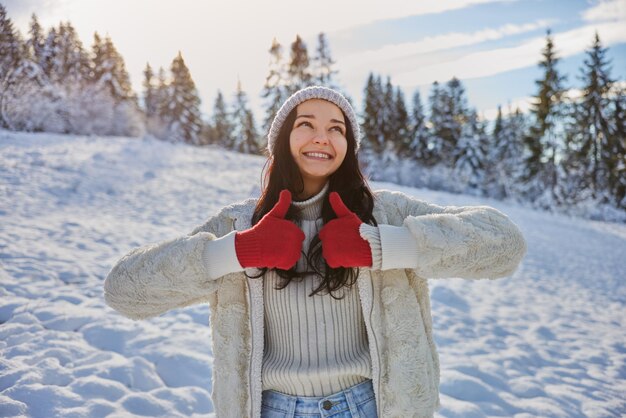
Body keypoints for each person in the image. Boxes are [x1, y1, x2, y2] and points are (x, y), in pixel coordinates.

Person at [104, 86, 527, 418]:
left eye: (337, 128)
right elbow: (124, 292)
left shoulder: (385, 213)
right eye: (306, 124)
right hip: (270, 409)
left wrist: (383, 246)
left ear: (348, 146)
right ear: (283, 139)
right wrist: (236, 251)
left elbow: (505, 245)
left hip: (373, 406)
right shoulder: (239, 225)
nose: (322, 136)